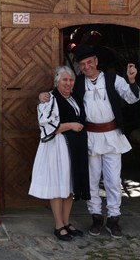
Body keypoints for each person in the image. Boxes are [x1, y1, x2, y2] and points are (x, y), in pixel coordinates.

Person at [39, 44, 140, 239]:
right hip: (89, 138)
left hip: (112, 136)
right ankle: (96, 218)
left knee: (112, 180)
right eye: (82, 64)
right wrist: (41, 96)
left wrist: (132, 80)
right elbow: (60, 94)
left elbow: (132, 98)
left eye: (89, 62)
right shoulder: (77, 84)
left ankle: (113, 218)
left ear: (96, 61)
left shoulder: (113, 79)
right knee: (92, 180)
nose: (86, 67)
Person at [29, 66, 90, 241]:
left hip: (74, 147)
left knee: (70, 186)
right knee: (58, 186)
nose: (68, 83)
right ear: (57, 81)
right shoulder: (49, 99)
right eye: (64, 80)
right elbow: (46, 126)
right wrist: (70, 125)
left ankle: (66, 221)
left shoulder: (75, 97)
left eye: (71, 80)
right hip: (57, 147)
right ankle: (58, 225)